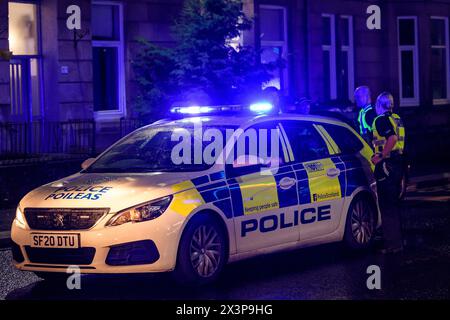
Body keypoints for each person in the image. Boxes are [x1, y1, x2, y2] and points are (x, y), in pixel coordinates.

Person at [371, 92, 406, 254]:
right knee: (394, 205)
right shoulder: (397, 118)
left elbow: (391, 139)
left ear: (379, 104)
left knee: (386, 206)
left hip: (387, 165)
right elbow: (400, 142)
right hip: (398, 164)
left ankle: (392, 245)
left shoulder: (380, 120)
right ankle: (398, 242)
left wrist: (380, 156)